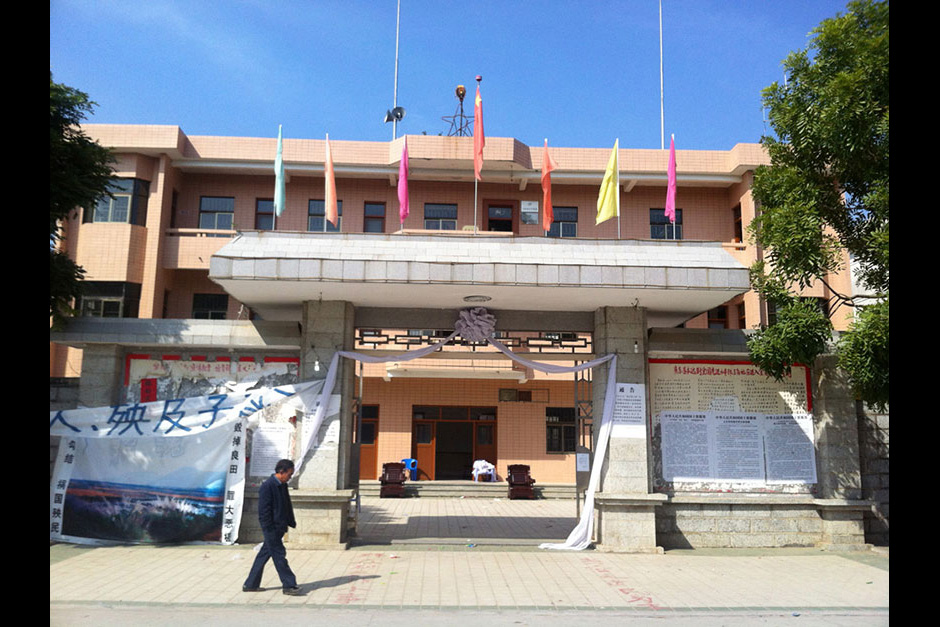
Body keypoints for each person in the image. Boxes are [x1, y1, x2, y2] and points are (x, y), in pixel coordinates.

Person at [242, 458, 303, 595]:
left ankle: (250, 584)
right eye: (289, 474)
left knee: (263, 555)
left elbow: (286, 505)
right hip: (272, 529)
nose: (290, 477)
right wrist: (268, 529)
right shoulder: (267, 486)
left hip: (279, 527)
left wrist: (290, 521)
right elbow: (263, 512)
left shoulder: (282, 485)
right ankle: (289, 585)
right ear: (281, 472)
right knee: (279, 556)